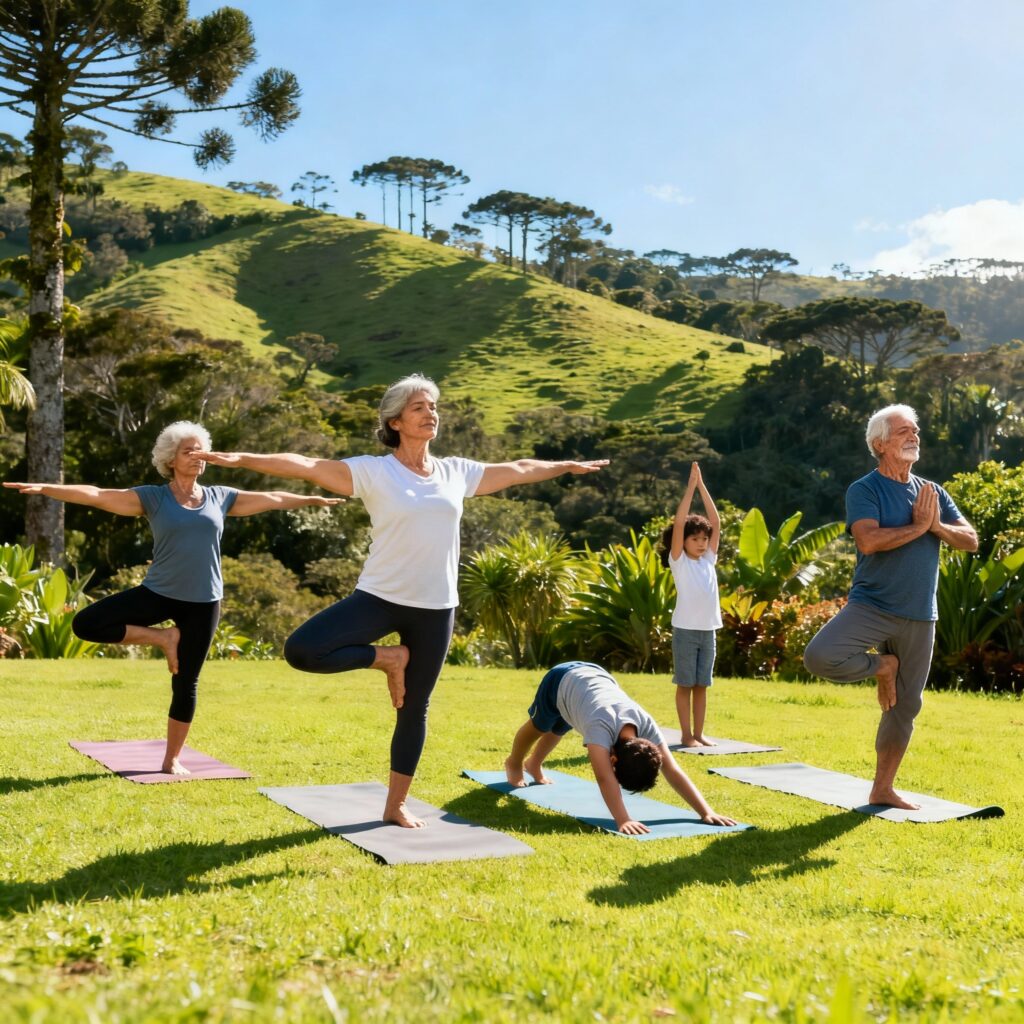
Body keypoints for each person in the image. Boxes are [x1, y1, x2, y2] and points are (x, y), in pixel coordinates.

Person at [197, 373, 607, 828]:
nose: (431, 413)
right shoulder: (374, 471)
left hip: (436, 607)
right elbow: (304, 464)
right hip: (380, 597)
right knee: (302, 651)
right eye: (419, 407)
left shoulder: (456, 471)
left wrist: (565, 465)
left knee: (415, 709)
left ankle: (396, 804)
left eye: (433, 406)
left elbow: (519, 469)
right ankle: (388, 658)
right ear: (394, 421)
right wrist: (237, 458)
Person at [4, 421, 342, 775]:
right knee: (86, 623)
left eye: (202, 452)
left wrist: (309, 498)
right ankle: (163, 637)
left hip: (204, 600)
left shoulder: (220, 497)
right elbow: (98, 494)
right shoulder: (153, 497)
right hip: (159, 593)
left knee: (186, 682)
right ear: (170, 458)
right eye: (189, 451)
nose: (199, 458)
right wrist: (47, 488)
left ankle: (172, 759)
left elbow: (272, 499)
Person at [803, 404, 977, 808]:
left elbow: (970, 540)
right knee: (820, 656)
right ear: (880, 444)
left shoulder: (932, 492)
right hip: (873, 606)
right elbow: (869, 541)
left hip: (920, 613)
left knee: (905, 706)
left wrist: (935, 526)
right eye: (903, 431)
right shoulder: (865, 489)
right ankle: (882, 665)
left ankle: (883, 788)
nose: (914, 436)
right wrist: (919, 528)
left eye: (915, 430)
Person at [504, 661, 737, 834]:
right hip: (561, 679)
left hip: (595, 681)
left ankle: (533, 764)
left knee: (561, 727)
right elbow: (605, 778)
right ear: (613, 759)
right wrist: (623, 819)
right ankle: (514, 762)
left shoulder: (647, 728)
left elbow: (673, 771)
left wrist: (706, 811)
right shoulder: (599, 729)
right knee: (540, 726)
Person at [660, 461, 722, 747]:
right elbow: (679, 522)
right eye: (695, 538)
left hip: (708, 630)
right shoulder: (679, 561)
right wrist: (688, 491)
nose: (701, 543)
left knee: (702, 685)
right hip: (685, 630)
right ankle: (685, 735)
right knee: (685, 684)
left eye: (704, 539)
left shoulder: (709, 559)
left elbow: (716, 521)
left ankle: (699, 733)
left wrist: (702, 486)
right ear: (683, 542)